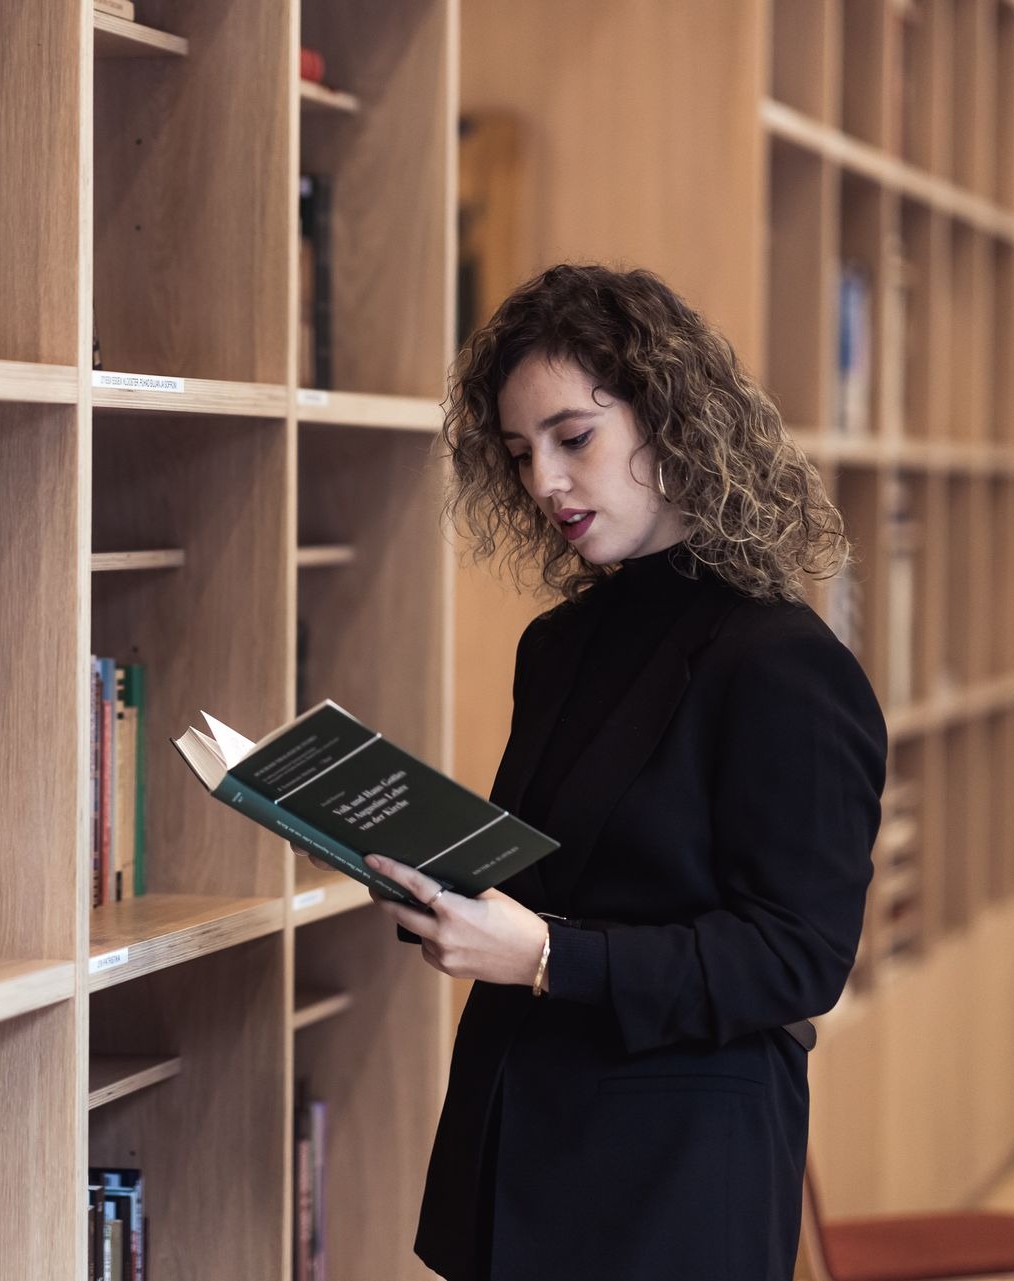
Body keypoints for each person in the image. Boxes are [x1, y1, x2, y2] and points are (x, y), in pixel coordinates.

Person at [297, 263, 887, 1280]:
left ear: (676, 425)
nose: (544, 484)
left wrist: (545, 957)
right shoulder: (559, 646)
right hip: (515, 1146)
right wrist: (431, 878)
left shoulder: (781, 662)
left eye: (575, 439)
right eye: (522, 453)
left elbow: (798, 958)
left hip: (671, 1182)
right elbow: (548, 881)